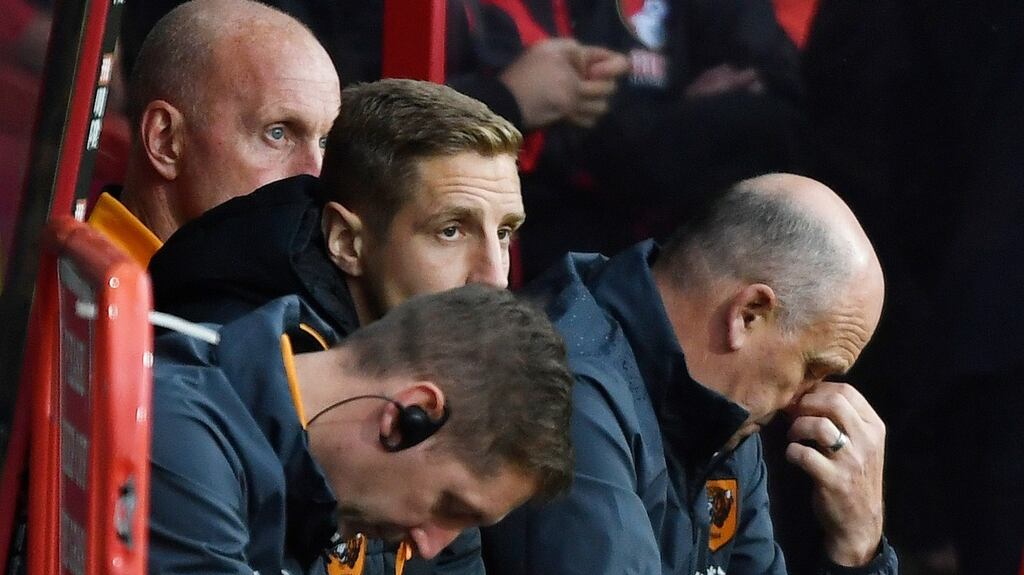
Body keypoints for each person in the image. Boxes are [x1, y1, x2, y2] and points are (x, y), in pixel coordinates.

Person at [146, 78, 524, 574]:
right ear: (346, 241)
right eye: (450, 231)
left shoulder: (443, 363)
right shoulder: (233, 366)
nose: (494, 278)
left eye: (504, 233)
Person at [481, 173, 898, 574]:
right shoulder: (567, 387)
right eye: (813, 368)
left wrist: (858, 550)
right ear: (749, 314)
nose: (802, 401)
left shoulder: (722, 414)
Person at [148, 285, 575, 574]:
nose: (428, 546)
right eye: (451, 506)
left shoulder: (315, 490)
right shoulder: (180, 439)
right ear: (411, 415)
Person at [88, 0, 340, 265]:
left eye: (325, 142)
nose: (316, 176)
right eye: (277, 134)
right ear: (165, 140)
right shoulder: (80, 293)